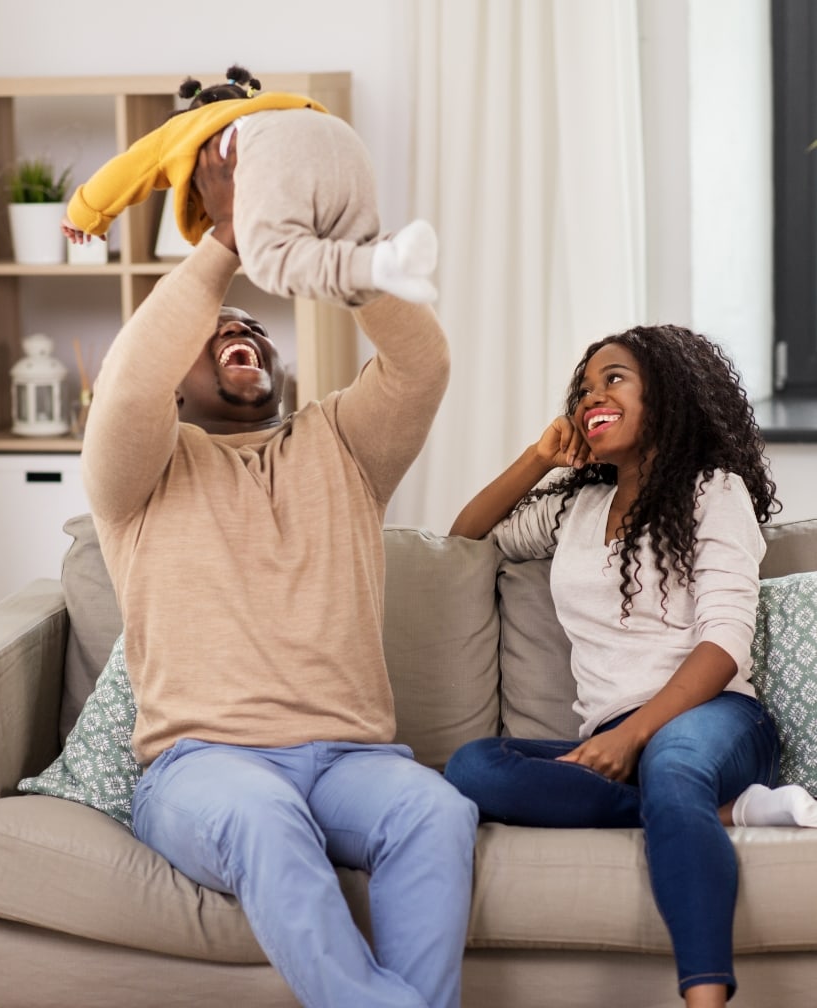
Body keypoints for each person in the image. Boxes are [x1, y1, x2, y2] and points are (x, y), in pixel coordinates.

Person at [80, 129, 477, 1008]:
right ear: (177, 386)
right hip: (203, 767)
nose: (243, 331)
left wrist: (336, 252)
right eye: (218, 332)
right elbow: (128, 386)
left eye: (256, 327)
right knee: (262, 817)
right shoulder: (136, 474)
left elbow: (422, 365)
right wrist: (225, 242)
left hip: (348, 761)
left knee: (437, 811)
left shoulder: (343, 444)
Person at [443, 323, 817, 1008]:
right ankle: (725, 812)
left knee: (674, 770)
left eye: (614, 379)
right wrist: (539, 458)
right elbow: (465, 536)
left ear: (668, 396)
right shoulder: (574, 508)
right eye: (585, 387)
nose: (593, 396)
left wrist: (633, 734)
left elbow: (724, 642)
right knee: (472, 767)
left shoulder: (714, 491)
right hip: (614, 737)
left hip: (711, 718)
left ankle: (704, 1000)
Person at [62, 65, 438, 306]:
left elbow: (126, 168)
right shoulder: (264, 106)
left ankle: (384, 261)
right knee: (346, 253)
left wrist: (83, 216)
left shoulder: (182, 131)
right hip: (335, 131)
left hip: (272, 144)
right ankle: (396, 252)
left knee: (270, 260)